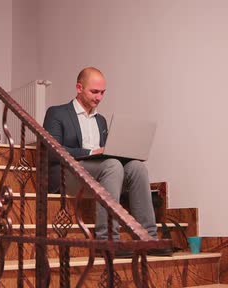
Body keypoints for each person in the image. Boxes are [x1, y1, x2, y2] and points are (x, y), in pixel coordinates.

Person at [43, 67, 172, 257]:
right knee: (112, 166)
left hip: (100, 175)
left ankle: (147, 238)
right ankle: (107, 240)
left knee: (137, 167)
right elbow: (52, 152)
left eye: (102, 92)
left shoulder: (101, 121)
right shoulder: (57, 113)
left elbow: (107, 156)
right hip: (67, 175)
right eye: (94, 91)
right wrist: (91, 152)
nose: (99, 97)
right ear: (79, 88)